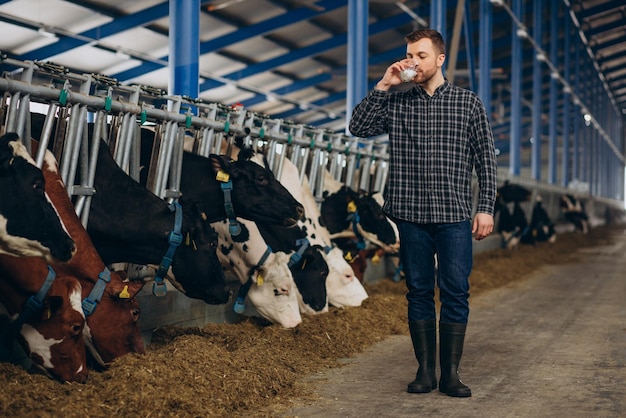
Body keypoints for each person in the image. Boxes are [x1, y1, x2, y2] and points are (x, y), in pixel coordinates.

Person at [349, 28, 497, 398]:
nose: (413, 62)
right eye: (409, 55)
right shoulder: (397, 102)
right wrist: (384, 85)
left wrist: (486, 208)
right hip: (410, 214)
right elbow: (358, 128)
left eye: (421, 55)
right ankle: (425, 371)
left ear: (440, 59)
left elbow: (486, 162)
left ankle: (451, 375)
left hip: (454, 215)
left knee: (455, 292)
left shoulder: (468, 104)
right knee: (417, 290)